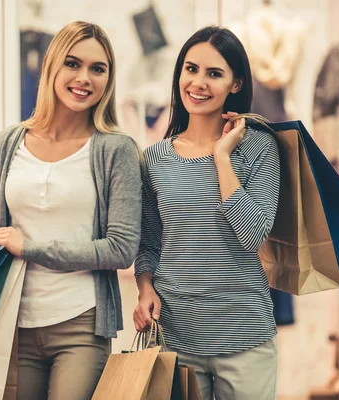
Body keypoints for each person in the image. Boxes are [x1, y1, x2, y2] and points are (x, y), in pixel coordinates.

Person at [0, 21, 141, 400]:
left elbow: (121, 248)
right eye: (73, 63)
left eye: (98, 69)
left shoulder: (116, 150)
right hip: (11, 322)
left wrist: (31, 247)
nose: (84, 78)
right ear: (52, 66)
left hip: (81, 323)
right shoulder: (5, 144)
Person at [133, 25, 281, 400]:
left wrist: (222, 158)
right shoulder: (155, 159)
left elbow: (253, 234)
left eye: (214, 73)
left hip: (245, 334)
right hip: (176, 334)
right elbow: (149, 243)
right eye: (191, 69)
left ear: (235, 84)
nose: (198, 82)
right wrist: (144, 288)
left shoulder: (260, 147)